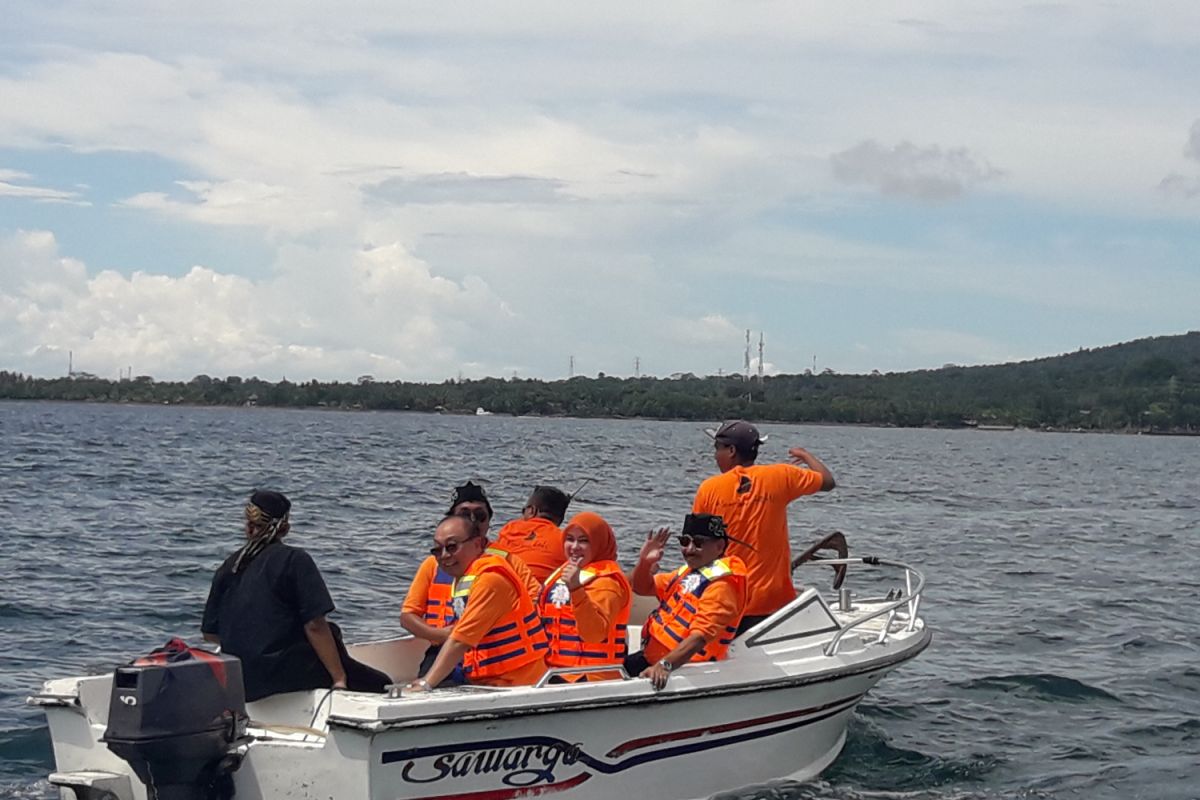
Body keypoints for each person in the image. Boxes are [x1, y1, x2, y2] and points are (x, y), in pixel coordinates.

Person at [201, 490, 391, 701]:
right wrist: (339, 678)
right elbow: (315, 626)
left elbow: (210, 634)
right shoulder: (294, 561)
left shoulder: (229, 567)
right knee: (380, 683)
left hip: (242, 680)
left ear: (248, 525)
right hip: (282, 675)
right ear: (285, 527)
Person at [692, 420, 835, 633]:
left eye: (717, 448)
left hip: (727, 600)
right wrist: (805, 456)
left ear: (731, 450)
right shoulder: (782, 476)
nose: (714, 455)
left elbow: (696, 548)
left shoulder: (709, 489)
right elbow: (828, 482)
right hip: (773, 604)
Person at [399, 482, 539, 680]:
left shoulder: (504, 564)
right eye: (465, 514)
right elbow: (407, 616)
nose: (473, 520)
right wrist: (440, 635)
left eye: (480, 516)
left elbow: (535, 602)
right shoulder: (434, 563)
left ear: (489, 521)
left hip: (492, 654)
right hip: (443, 649)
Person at [623, 513, 747, 690]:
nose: (689, 549)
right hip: (649, 658)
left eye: (698, 543)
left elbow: (699, 638)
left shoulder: (722, 587)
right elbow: (643, 587)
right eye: (684, 541)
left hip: (683, 672)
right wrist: (644, 562)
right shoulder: (687, 573)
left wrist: (665, 665)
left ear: (719, 546)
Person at [538, 511, 632, 682]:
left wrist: (575, 589)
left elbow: (594, 634)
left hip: (590, 677)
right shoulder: (563, 573)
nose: (574, 547)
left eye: (583, 541)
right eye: (569, 539)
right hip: (553, 671)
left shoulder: (608, 584)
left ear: (598, 544)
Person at [492, 485, 570, 583]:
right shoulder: (566, 541)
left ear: (532, 510)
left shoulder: (510, 528)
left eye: (524, 510)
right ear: (561, 519)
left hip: (504, 587)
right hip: (542, 594)